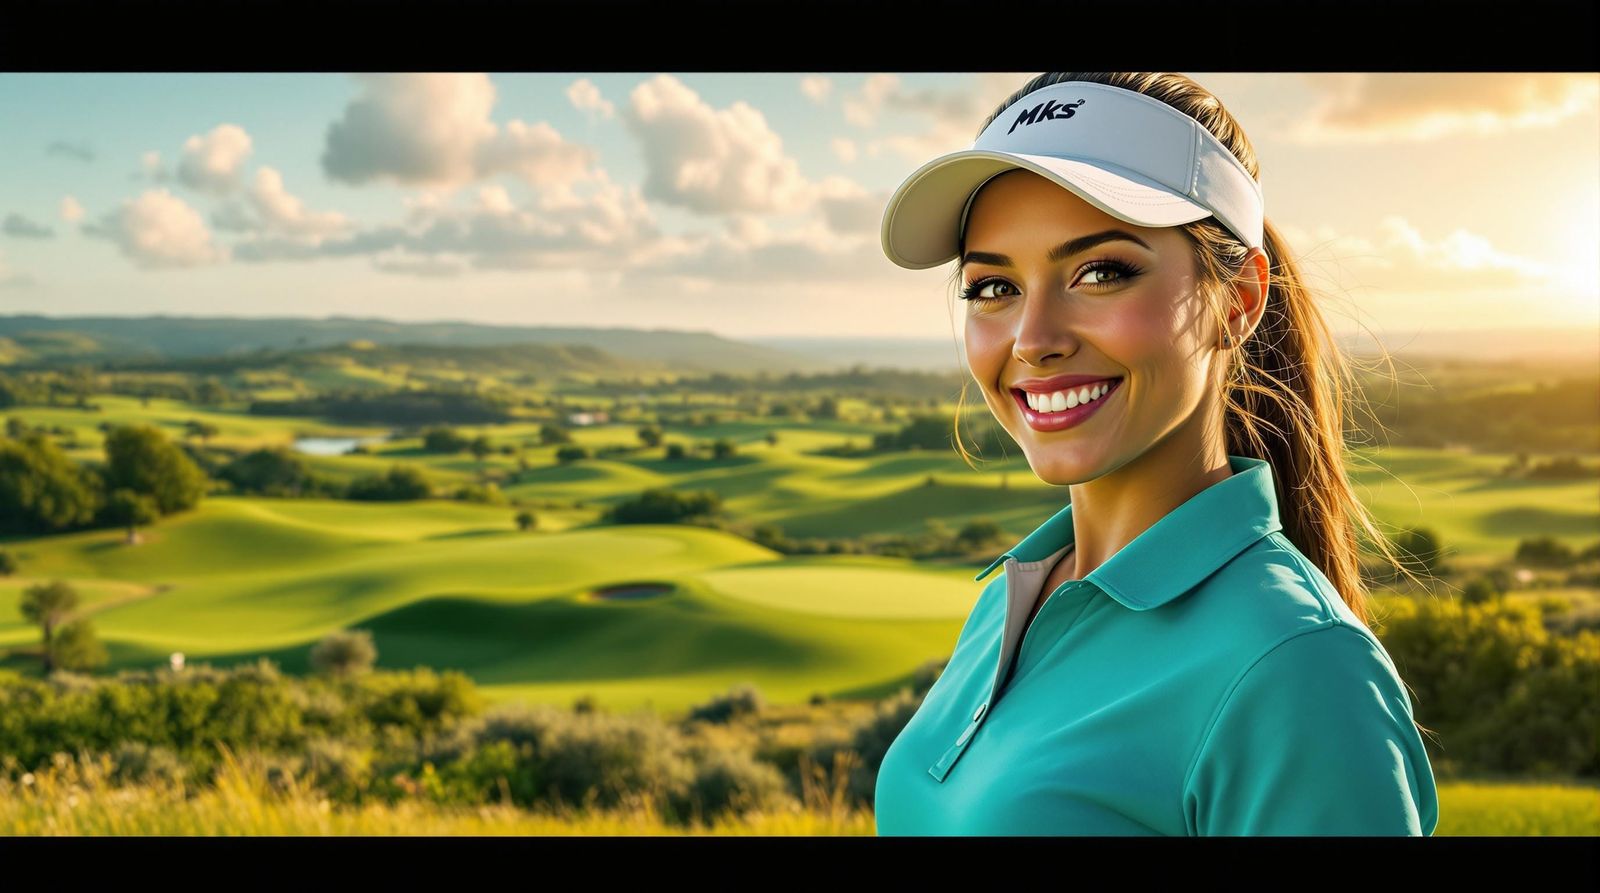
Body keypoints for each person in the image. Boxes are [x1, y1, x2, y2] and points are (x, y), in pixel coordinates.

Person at [871, 72, 1440, 836]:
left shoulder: (1300, 672)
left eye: (1100, 272)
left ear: (1237, 300)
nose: (1033, 339)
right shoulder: (1012, 599)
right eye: (992, 286)